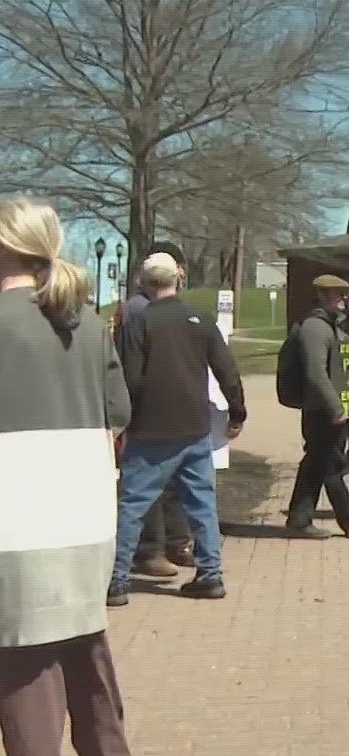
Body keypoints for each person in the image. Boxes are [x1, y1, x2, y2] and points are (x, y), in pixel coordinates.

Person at [0, 198, 134, 756]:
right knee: (84, 641)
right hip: (85, 509)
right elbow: (118, 410)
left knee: (23, 657)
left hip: (16, 514)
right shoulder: (85, 322)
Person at [107, 251, 247, 605]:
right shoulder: (199, 317)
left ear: (143, 282)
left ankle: (118, 579)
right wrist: (237, 410)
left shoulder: (138, 321)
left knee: (133, 503)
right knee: (201, 503)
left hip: (152, 427)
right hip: (194, 426)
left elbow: (131, 376)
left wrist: (126, 421)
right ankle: (210, 573)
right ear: (178, 279)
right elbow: (226, 368)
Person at [112, 240, 191, 579]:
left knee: (172, 478)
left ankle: (176, 542)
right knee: (148, 482)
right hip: (146, 408)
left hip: (169, 407)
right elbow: (132, 366)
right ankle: (149, 550)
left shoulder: (164, 308)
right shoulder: (138, 310)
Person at [286, 275, 349, 540]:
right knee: (331, 466)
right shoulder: (315, 328)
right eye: (338, 294)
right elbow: (316, 372)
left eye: (345, 294)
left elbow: (344, 367)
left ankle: (299, 519)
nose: (344, 299)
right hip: (322, 411)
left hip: (331, 410)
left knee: (316, 463)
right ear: (322, 295)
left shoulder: (334, 328)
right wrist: (336, 407)